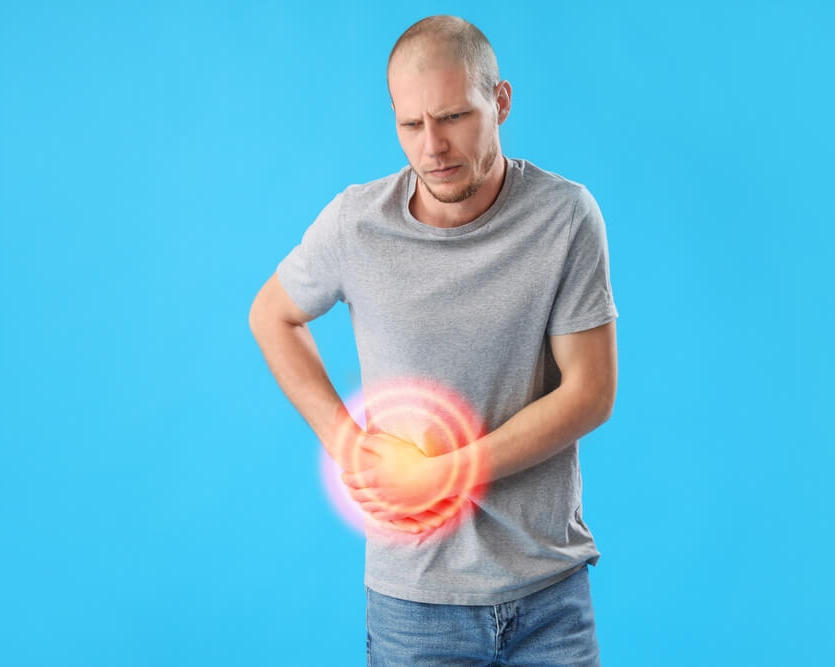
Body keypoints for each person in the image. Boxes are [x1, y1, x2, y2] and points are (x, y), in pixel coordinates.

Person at [248, 14, 617, 666]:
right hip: (416, 604)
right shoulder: (355, 223)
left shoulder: (564, 216)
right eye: (411, 124)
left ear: (500, 100)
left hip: (549, 591)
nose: (432, 147)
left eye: (453, 117)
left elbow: (589, 392)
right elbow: (271, 314)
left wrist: (448, 471)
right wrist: (344, 440)